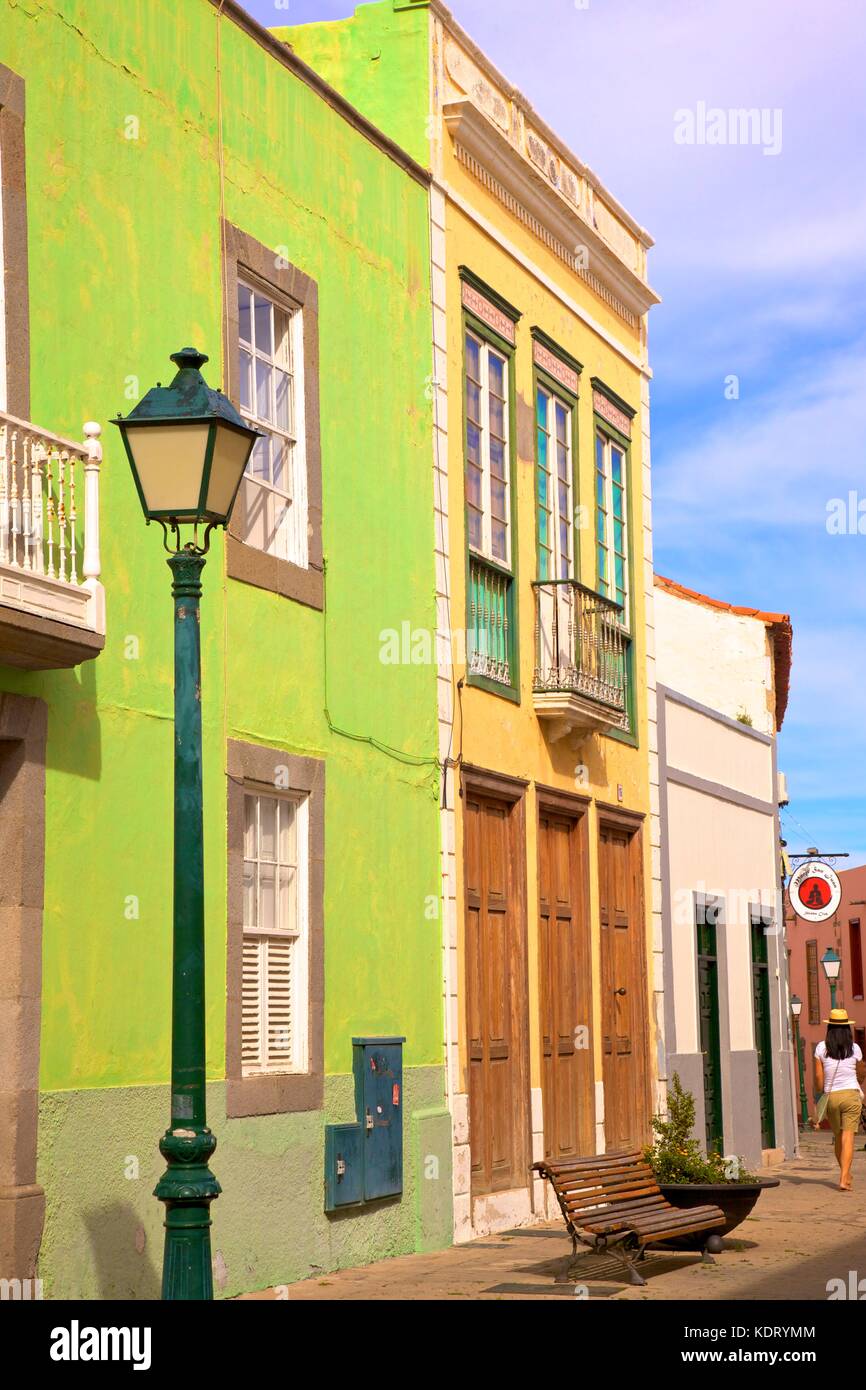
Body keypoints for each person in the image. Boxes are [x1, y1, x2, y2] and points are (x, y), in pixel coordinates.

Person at [814, 1008, 866, 1190]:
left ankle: (845, 1173)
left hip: (831, 1097)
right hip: (851, 1095)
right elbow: (860, 1073)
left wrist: (818, 1093)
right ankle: (844, 1177)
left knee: (838, 1136)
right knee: (848, 1136)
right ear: (847, 1029)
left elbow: (819, 1079)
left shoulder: (821, 1047)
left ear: (829, 1027)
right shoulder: (855, 1048)